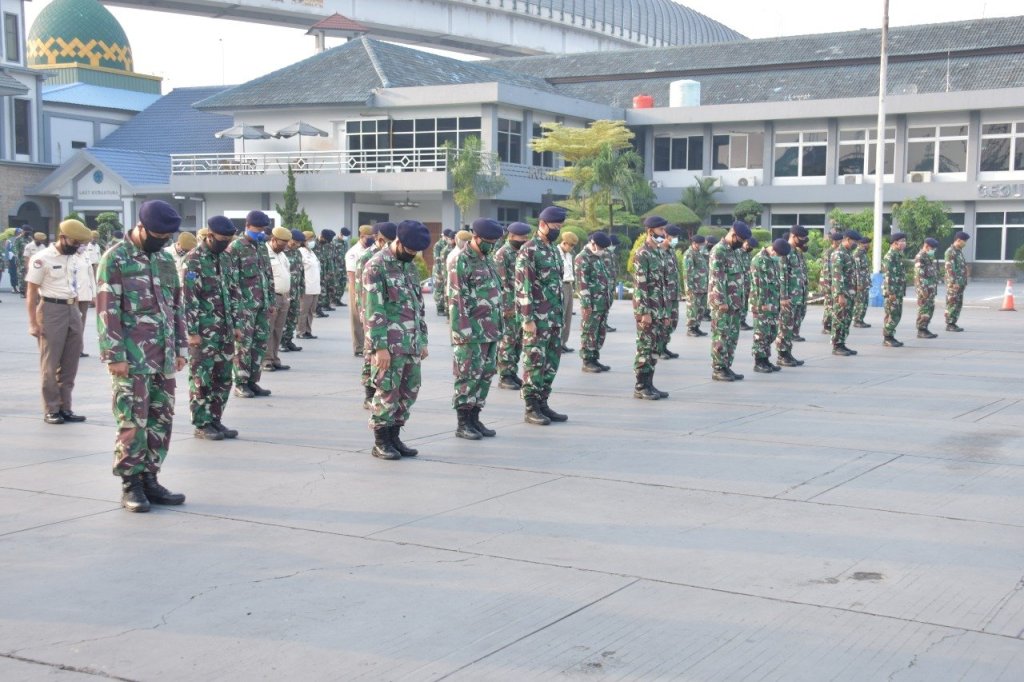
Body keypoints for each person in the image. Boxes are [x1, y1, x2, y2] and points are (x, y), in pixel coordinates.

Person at [96, 200, 187, 513]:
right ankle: (131, 484)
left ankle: (150, 478)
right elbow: (107, 309)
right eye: (158, 236)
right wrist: (114, 355)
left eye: (167, 237)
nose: (163, 241)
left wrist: (180, 348)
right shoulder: (116, 258)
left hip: (164, 356)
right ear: (141, 227)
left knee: (161, 419)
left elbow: (176, 306)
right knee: (133, 421)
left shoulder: (165, 259)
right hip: (132, 359)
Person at [363, 219, 431, 460]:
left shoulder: (409, 266)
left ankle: (395, 437)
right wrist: (379, 347)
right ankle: (381, 441)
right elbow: (373, 310)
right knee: (387, 391)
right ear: (398, 242)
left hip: (411, 342)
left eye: (416, 252)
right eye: (409, 250)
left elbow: (417, 305)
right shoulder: (376, 266)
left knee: (408, 392)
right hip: (389, 344)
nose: (412, 255)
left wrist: (422, 339)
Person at [25, 219, 94, 424]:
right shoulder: (41, 258)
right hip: (51, 309)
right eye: (75, 242)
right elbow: (31, 292)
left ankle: (65, 407)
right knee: (50, 362)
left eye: (80, 243)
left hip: (72, 308)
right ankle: (51, 409)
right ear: (62, 237)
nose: (77, 246)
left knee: (71, 361)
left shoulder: (74, 258)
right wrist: (33, 323)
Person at [184, 215, 240, 441]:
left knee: (224, 377)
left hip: (225, 330)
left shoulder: (226, 258)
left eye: (229, 240)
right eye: (222, 239)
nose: (225, 243)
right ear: (209, 235)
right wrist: (192, 331)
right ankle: (201, 423)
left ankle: (215, 419)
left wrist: (237, 324)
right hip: (204, 332)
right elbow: (188, 297)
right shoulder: (193, 260)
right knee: (202, 378)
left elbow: (233, 291)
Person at [449, 218, 503, 440]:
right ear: (476, 237)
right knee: (468, 376)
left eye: (495, 242)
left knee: (485, 374)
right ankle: (463, 423)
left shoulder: (487, 259)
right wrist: (462, 334)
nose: (492, 245)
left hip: (491, 329)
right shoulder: (461, 261)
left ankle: (475, 417)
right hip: (470, 332)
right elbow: (457, 299)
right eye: (489, 241)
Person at [516, 206, 568, 425]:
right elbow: (523, 286)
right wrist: (527, 319)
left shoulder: (553, 250)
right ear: (543, 224)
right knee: (534, 361)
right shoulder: (529, 249)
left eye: (560, 227)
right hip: (537, 319)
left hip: (554, 317)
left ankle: (543, 403)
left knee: (551, 362)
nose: (557, 230)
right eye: (555, 226)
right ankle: (531, 407)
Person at [227, 210, 274, 398]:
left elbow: (268, 275)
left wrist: (270, 301)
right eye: (257, 229)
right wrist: (236, 308)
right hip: (244, 307)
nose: (261, 232)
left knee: (259, 344)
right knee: (243, 347)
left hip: (262, 305)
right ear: (247, 226)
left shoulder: (262, 246)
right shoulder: (236, 247)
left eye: (263, 229)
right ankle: (240, 383)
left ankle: (253, 381)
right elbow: (232, 281)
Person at [357, 222, 397, 409]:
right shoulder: (367, 257)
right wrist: (364, 315)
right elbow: (361, 289)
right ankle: (369, 394)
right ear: (380, 240)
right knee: (370, 354)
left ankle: (382, 391)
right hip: (370, 311)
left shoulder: (392, 256)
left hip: (388, 311)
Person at [709, 221, 753, 381]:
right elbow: (717, 278)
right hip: (723, 303)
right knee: (721, 335)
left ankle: (727, 366)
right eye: (740, 240)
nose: (742, 243)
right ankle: (718, 368)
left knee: (732, 336)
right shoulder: (719, 250)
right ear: (733, 235)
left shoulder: (735, 252)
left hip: (735, 302)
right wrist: (721, 301)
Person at [632, 216, 670, 399]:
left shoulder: (659, 253)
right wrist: (644, 312)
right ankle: (640, 386)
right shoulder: (642, 254)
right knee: (645, 347)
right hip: (648, 310)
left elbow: (663, 285)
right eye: (661, 230)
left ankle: (649, 383)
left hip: (659, 310)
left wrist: (666, 312)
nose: (664, 233)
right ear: (650, 231)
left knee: (656, 347)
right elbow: (640, 286)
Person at [494, 222, 530, 390]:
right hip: (508, 304)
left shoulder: (522, 252)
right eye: (521, 237)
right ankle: (505, 375)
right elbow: (502, 283)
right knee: (508, 340)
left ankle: (512, 371)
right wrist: (508, 307)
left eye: (526, 237)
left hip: (521, 304)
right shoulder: (502, 254)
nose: (524, 240)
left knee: (518, 341)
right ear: (511, 236)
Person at [750, 238, 791, 373]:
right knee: (761, 333)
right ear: (773, 250)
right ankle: (759, 361)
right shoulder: (759, 260)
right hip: (762, 304)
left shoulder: (771, 260)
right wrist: (762, 303)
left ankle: (766, 359)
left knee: (771, 332)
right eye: (778, 255)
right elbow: (759, 285)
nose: (778, 258)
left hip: (772, 302)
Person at [575, 231, 613, 373]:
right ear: (593, 244)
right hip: (591, 304)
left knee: (599, 332)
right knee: (589, 331)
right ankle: (587, 361)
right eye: (601, 248)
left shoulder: (598, 257)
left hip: (602, 302)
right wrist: (586, 305)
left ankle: (594, 358)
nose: (602, 251)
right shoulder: (582, 258)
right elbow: (581, 284)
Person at [775, 225, 809, 366]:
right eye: (801, 238)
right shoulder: (785, 251)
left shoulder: (797, 252)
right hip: (788, 298)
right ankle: (782, 355)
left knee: (791, 328)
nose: (803, 240)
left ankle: (788, 353)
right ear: (793, 236)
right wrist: (783, 297)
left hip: (797, 296)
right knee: (785, 327)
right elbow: (782, 275)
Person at [264, 226, 294, 373]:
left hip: (284, 296)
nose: (285, 246)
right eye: (282, 243)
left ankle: (275, 358)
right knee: (268, 329)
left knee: (278, 330)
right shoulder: (264, 253)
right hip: (272, 296)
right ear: (274, 240)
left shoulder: (282, 255)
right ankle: (266, 360)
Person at [830, 230, 860, 356]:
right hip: (842, 293)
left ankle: (842, 343)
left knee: (846, 319)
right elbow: (837, 276)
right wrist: (840, 295)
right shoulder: (838, 254)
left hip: (849, 293)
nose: (856, 244)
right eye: (854, 241)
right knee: (839, 319)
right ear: (847, 239)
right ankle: (836, 345)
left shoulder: (847, 253)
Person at [345, 225, 373, 355]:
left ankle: (368, 346)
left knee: (369, 316)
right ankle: (359, 347)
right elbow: (351, 275)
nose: (371, 240)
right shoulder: (353, 252)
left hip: (370, 287)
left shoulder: (371, 250)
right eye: (369, 237)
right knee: (357, 317)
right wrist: (356, 293)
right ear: (362, 237)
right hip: (357, 287)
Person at [658, 225, 683, 359]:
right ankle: (658, 349)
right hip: (664, 295)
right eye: (674, 237)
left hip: (673, 294)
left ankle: (664, 346)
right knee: (663, 322)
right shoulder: (659, 251)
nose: (676, 240)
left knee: (672, 322)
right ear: (666, 236)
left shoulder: (671, 251)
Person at [280, 230, 306, 354]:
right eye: (295, 242)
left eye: (299, 243)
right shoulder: (281, 253)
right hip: (285, 291)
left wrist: (302, 288)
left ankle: (288, 340)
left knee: (293, 317)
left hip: (295, 291)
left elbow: (301, 272)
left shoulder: (297, 253)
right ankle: (281, 342)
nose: (297, 245)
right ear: (289, 240)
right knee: (283, 318)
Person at [881, 232, 908, 347]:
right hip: (892, 292)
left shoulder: (897, 255)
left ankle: (890, 336)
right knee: (893, 315)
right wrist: (891, 292)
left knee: (895, 314)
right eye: (902, 241)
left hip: (897, 291)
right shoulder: (890, 256)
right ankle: (887, 337)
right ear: (895, 243)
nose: (904, 243)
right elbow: (888, 276)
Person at [295, 231, 322, 340]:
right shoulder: (300, 252)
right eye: (310, 239)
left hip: (315, 286)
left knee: (311, 311)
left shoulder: (312, 252)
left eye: (313, 239)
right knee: (303, 311)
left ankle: (308, 331)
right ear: (304, 241)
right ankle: (300, 331)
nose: (312, 242)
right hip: (306, 286)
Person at [914, 237, 941, 339]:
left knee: (929, 309)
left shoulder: (927, 257)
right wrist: (923, 290)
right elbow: (919, 275)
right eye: (932, 248)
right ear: (926, 246)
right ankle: (921, 330)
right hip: (924, 290)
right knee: (924, 309)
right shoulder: (920, 257)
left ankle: (925, 328)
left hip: (930, 289)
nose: (933, 250)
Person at [683, 234, 708, 336]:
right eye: (700, 244)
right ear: (694, 243)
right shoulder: (689, 254)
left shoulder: (699, 253)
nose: (702, 246)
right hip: (694, 287)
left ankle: (696, 327)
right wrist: (689, 288)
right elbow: (688, 272)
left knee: (701, 309)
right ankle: (690, 328)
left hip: (702, 286)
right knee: (693, 308)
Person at [944, 231, 970, 332]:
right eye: (964, 241)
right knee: (952, 302)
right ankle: (949, 323)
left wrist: (964, 280)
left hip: (960, 283)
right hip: (954, 284)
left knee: (958, 303)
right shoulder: (950, 251)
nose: (965, 243)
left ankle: (953, 322)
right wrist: (953, 282)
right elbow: (949, 268)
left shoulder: (959, 251)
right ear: (958, 240)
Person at [558, 230, 578, 353]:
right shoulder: (556, 253)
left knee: (568, 315)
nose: (572, 248)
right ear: (564, 243)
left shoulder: (569, 255)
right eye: (571, 245)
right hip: (561, 285)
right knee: (561, 314)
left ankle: (563, 342)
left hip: (569, 285)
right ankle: (557, 343)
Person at [820, 231, 842, 334]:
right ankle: (826, 326)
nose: (840, 243)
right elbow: (826, 270)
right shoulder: (829, 252)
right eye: (839, 241)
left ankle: (830, 324)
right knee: (829, 305)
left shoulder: (837, 251)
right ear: (834, 241)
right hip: (828, 283)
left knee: (832, 305)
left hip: (833, 283)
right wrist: (829, 285)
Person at [432, 228, 455, 316]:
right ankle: (440, 308)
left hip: (445, 269)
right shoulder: (438, 245)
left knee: (445, 289)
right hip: (438, 270)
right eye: (446, 237)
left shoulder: (449, 244)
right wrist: (440, 272)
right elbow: (437, 259)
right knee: (439, 289)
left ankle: (445, 308)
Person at [737, 236, 757, 330]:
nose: (749, 248)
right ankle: (739, 321)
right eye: (748, 245)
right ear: (744, 243)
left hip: (747, 281)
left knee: (745, 302)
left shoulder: (748, 254)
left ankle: (742, 320)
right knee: (740, 301)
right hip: (739, 282)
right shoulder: (738, 252)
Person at [853, 235, 872, 328]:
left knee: (864, 302)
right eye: (867, 244)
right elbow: (856, 269)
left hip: (865, 283)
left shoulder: (863, 254)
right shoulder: (857, 254)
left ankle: (860, 319)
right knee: (860, 302)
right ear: (862, 244)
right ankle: (857, 320)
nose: (869, 245)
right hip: (861, 283)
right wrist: (858, 283)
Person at [317, 229, 337, 312]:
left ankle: (324, 306)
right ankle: (318, 309)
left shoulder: (325, 244)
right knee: (319, 291)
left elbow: (328, 258)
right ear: (322, 236)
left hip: (326, 271)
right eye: (325, 240)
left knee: (327, 289)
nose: (326, 242)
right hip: (317, 272)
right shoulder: (314, 245)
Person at [603, 234, 620, 332]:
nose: (614, 247)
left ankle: (604, 323)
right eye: (614, 245)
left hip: (611, 284)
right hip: (605, 284)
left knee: (608, 304)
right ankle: (602, 325)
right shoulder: (603, 253)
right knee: (604, 305)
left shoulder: (612, 254)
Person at [335, 227, 350, 306]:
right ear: (341, 234)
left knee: (343, 284)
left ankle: (338, 299)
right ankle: (333, 300)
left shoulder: (345, 243)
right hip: (336, 267)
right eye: (345, 235)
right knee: (336, 284)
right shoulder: (334, 242)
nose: (346, 237)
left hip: (344, 267)